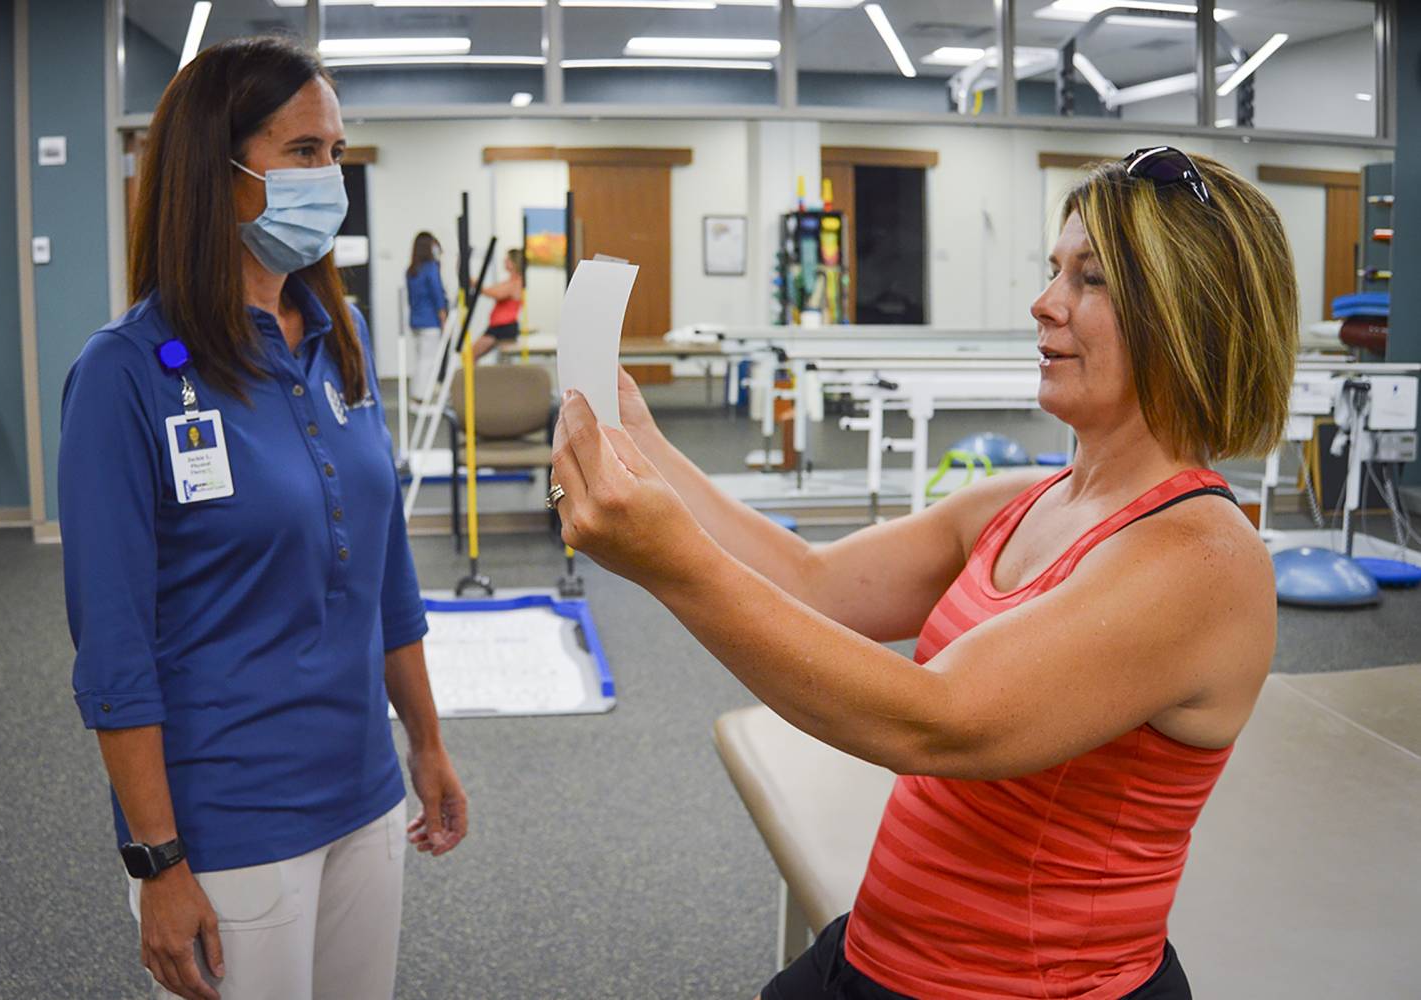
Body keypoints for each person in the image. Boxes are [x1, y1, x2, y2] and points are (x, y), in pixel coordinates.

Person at [550, 147, 1296, 999]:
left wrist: (671, 566)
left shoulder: (1202, 561)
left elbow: (938, 724)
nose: (1044, 303)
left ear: (1185, 314)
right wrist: (641, 442)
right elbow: (814, 585)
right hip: (885, 948)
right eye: (1054, 270)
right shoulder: (1026, 500)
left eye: (1089, 280)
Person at [60, 37, 467, 1000]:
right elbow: (113, 646)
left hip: (363, 792)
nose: (329, 177)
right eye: (302, 153)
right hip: (229, 816)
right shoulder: (125, 374)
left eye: (337, 154)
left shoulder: (342, 334)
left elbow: (384, 571)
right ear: (222, 171)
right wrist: (157, 863)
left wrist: (428, 741)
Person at [405, 231, 449, 391]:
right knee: (428, 361)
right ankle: (421, 397)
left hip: (416, 321)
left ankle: (418, 395)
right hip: (430, 322)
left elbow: (411, 299)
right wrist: (443, 319)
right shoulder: (431, 268)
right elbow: (437, 295)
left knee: (421, 360)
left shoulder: (412, 270)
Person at [471, 248, 525, 360]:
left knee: (471, 355)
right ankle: (476, 377)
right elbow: (488, 290)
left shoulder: (516, 283)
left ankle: (476, 377)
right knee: (471, 356)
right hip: (497, 327)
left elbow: (494, 293)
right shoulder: (509, 281)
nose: (504, 260)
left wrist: (472, 281)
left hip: (504, 328)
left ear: (514, 262)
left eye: (508, 259)